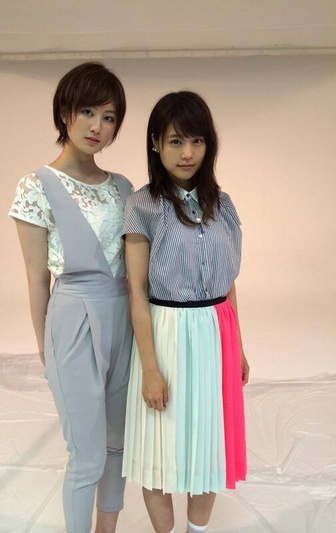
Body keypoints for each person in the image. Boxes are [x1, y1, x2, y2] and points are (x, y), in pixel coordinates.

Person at [9, 62, 133, 533]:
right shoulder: (35, 186)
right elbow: (36, 277)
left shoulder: (123, 188)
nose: (97, 126)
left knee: (118, 444)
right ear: (65, 113)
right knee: (86, 454)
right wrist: (46, 342)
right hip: (72, 318)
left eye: (109, 116)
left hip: (123, 318)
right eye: (87, 112)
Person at [122, 91, 249, 533]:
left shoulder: (223, 204)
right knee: (159, 451)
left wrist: (239, 348)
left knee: (208, 449)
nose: (187, 153)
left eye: (196, 140)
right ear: (155, 143)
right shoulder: (142, 205)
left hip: (215, 333)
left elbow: (228, 282)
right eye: (175, 141)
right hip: (166, 332)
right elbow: (137, 291)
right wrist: (150, 368)